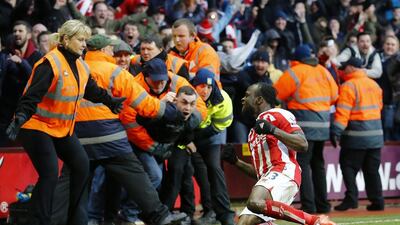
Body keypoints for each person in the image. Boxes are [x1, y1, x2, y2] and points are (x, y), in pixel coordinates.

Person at [4, 20, 126, 225]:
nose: (84, 44)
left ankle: (74, 218)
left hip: (60, 128)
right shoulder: (50, 63)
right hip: (36, 125)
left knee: (81, 165)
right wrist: (21, 117)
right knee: (50, 173)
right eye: (80, 39)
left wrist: (110, 101)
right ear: (66, 39)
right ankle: (38, 221)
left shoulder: (80, 64)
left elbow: (91, 89)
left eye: (86, 40)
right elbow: (32, 95)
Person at [78, 35, 187, 225]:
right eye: (114, 52)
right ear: (104, 51)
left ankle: (84, 219)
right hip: (111, 136)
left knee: (76, 181)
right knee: (131, 175)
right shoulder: (115, 72)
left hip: (79, 136)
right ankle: (155, 215)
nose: (118, 57)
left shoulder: (77, 68)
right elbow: (141, 106)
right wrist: (166, 111)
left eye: (125, 54)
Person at [222, 82, 336, 225]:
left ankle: (314, 221)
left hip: (285, 171)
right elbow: (261, 174)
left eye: (247, 95)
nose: (242, 99)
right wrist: (236, 162)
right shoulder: (253, 133)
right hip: (272, 177)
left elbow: (302, 144)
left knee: (255, 201)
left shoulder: (278, 114)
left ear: (259, 100)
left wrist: (273, 130)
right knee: (244, 222)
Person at [274, 44, 338, 214]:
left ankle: (309, 205)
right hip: (323, 125)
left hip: (304, 127)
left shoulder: (294, 72)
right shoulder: (323, 71)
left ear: (296, 58)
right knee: (318, 165)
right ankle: (323, 204)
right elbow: (334, 96)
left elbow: (276, 95)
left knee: (303, 165)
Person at [331, 57, 385, 211]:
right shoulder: (374, 84)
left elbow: (343, 113)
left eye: (345, 67)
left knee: (348, 166)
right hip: (375, 136)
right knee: (372, 170)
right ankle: (378, 201)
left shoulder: (349, 86)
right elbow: (379, 107)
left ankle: (351, 199)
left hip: (356, 137)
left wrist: (336, 131)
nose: (342, 70)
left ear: (352, 68)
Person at [190, 68, 235, 225]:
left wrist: (195, 139)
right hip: (187, 137)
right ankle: (198, 212)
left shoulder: (223, 99)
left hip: (211, 136)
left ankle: (224, 213)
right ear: (195, 85)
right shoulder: (186, 94)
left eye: (209, 87)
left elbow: (219, 126)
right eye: (202, 86)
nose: (205, 90)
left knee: (214, 168)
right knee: (191, 170)